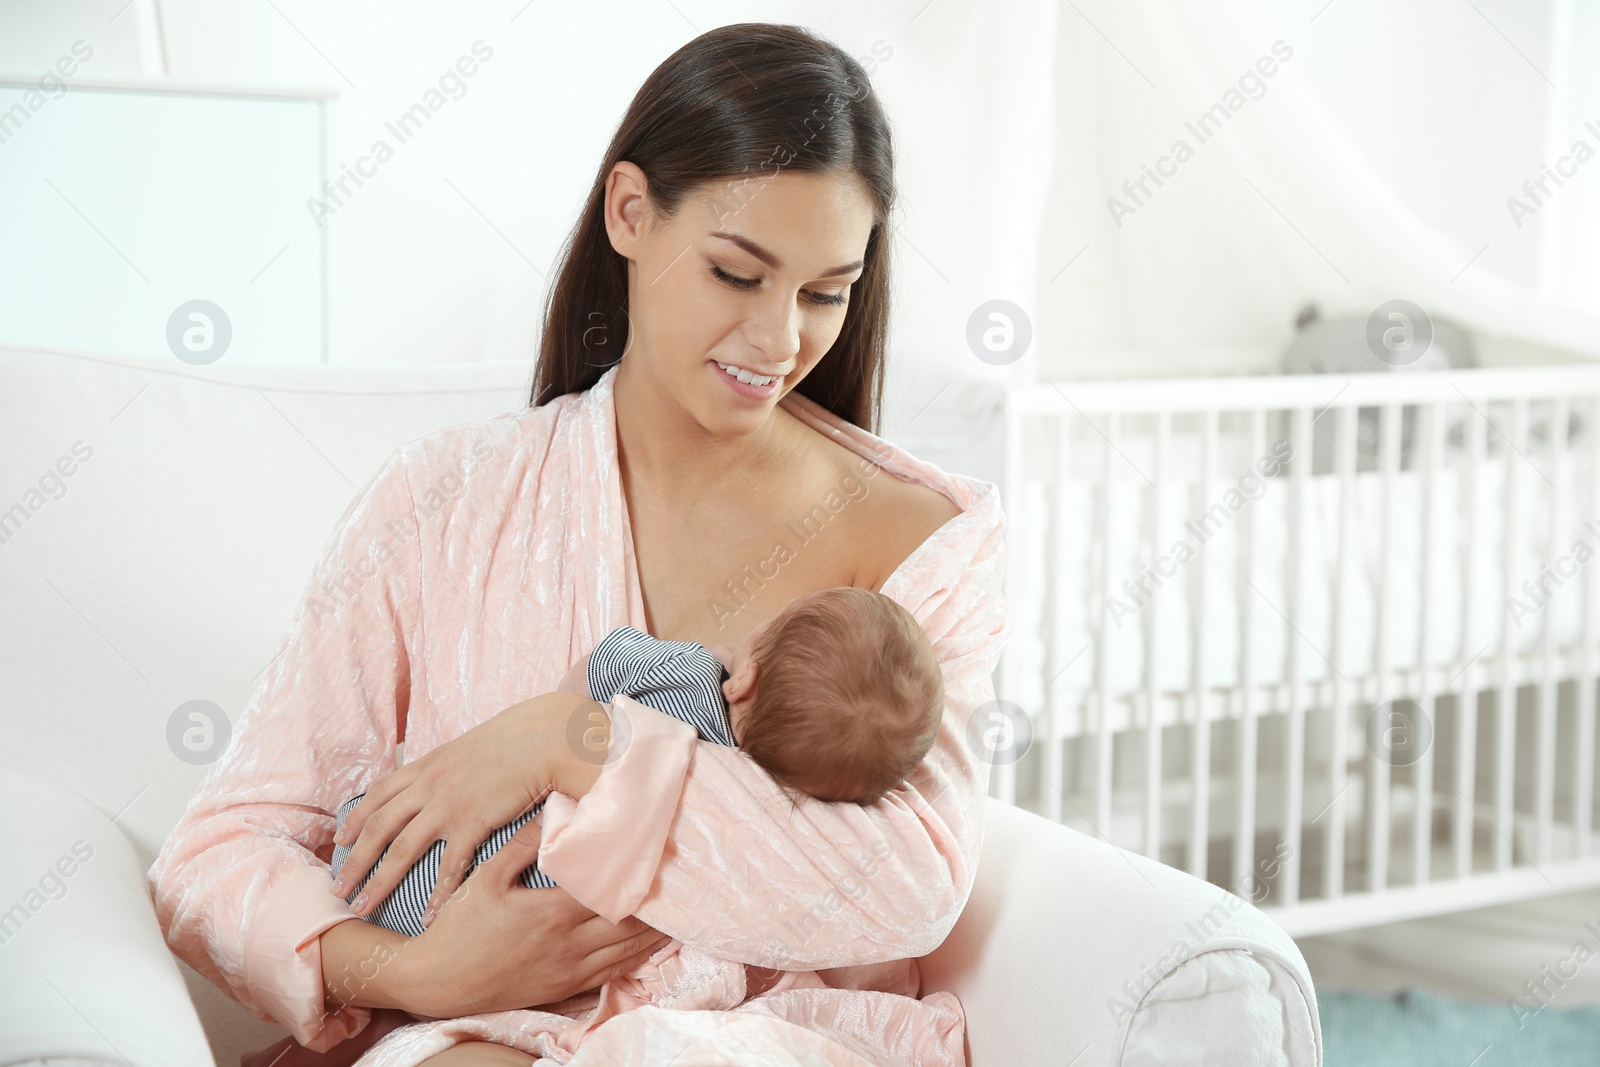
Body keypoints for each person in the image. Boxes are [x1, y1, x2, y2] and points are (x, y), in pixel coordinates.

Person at [148, 21, 1007, 1067]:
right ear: (630, 212)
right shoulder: (445, 502)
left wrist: (572, 741)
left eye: (826, 293)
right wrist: (415, 972)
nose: (781, 340)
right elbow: (213, 857)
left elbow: (907, 885)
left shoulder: (924, 542)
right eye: (737, 274)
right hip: (474, 1034)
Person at [329, 585, 947, 938]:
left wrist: (555, 719)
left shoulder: (687, 672)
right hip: (494, 920)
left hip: (394, 856)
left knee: (376, 822)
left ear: (745, 677)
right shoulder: (759, 803)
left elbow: (596, 667)